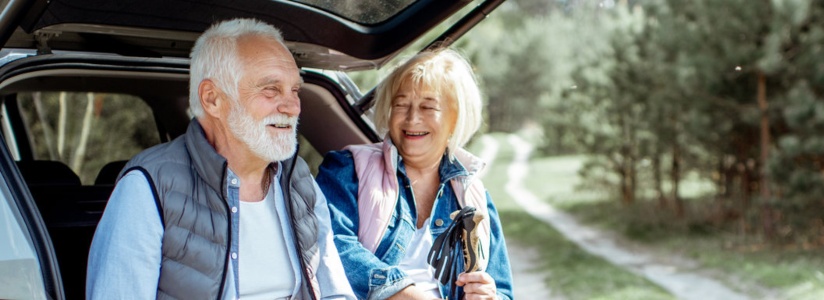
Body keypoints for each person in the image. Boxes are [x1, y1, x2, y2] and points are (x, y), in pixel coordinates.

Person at [86, 18, 355, 299]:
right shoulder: (147, 187)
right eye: (270, 89)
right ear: (212, 98)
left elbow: (335, 292)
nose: (293, 106)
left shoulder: (299, 180)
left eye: (295, 90)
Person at [316, 48, 513, 300]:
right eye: (401, 105)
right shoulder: (348, 167)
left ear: (455, 119)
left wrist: (490, 296)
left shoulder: (474, 195)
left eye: (428, 107)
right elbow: (331, 243)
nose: (412, 118)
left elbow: (503, 289)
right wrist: (400, 291)